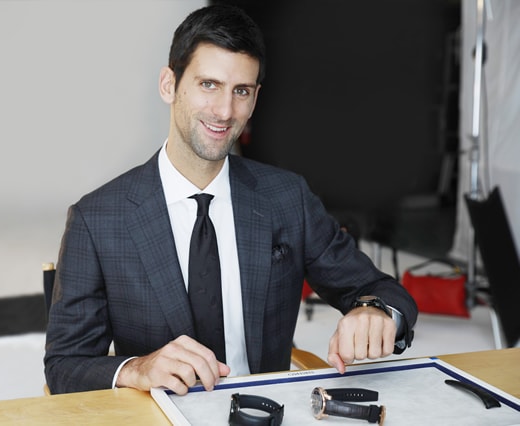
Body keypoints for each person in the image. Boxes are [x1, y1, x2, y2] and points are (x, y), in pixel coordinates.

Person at [44, 4, 417, 396]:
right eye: (209, 85)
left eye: (241, 91)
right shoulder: (97, 219)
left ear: (255, 98)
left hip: (267, 411)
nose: (225, 111)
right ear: (169, 84)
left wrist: (376, 311)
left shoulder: (287, 198)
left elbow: (380, 289)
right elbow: (65, 365)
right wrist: (138, 368)